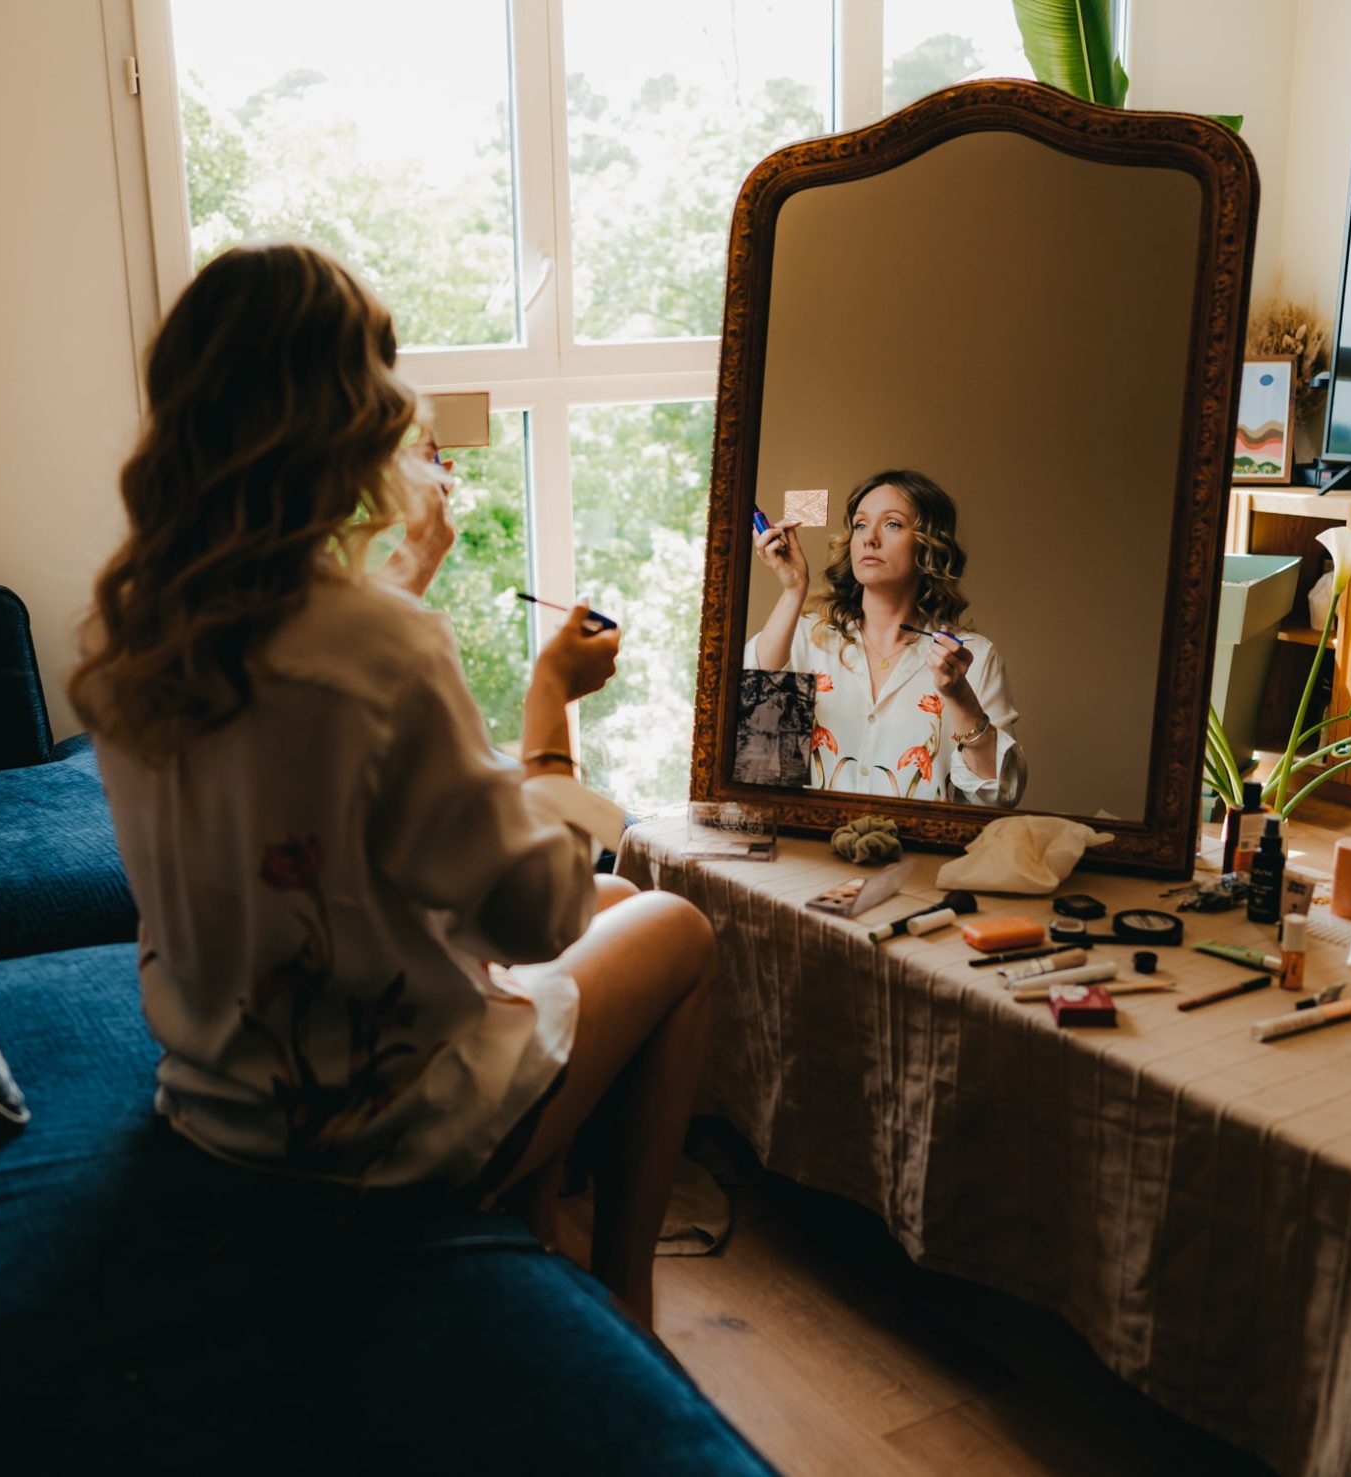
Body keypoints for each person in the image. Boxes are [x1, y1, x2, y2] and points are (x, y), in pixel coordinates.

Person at [70, 242, 714, 1330]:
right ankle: (626, 1295)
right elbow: (539, 915)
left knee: (611, 901)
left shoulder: (132, 629)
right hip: (379, 1131)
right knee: (674, 924)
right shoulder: (382, 645)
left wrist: (406, 583)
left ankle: (536, 1237)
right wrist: (551, 705)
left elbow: (318, 773)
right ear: (342, 415)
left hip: (219, 1099)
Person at [748, 469, 1025, 805]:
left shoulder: (972, 658)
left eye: (892, 524)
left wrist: (960, 696)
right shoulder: (806, 637)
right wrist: (794, 590)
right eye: (860, 525)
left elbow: (1001, 796)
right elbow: (752, 726)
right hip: (810, 837)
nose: (870, 538)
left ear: (929, 543)